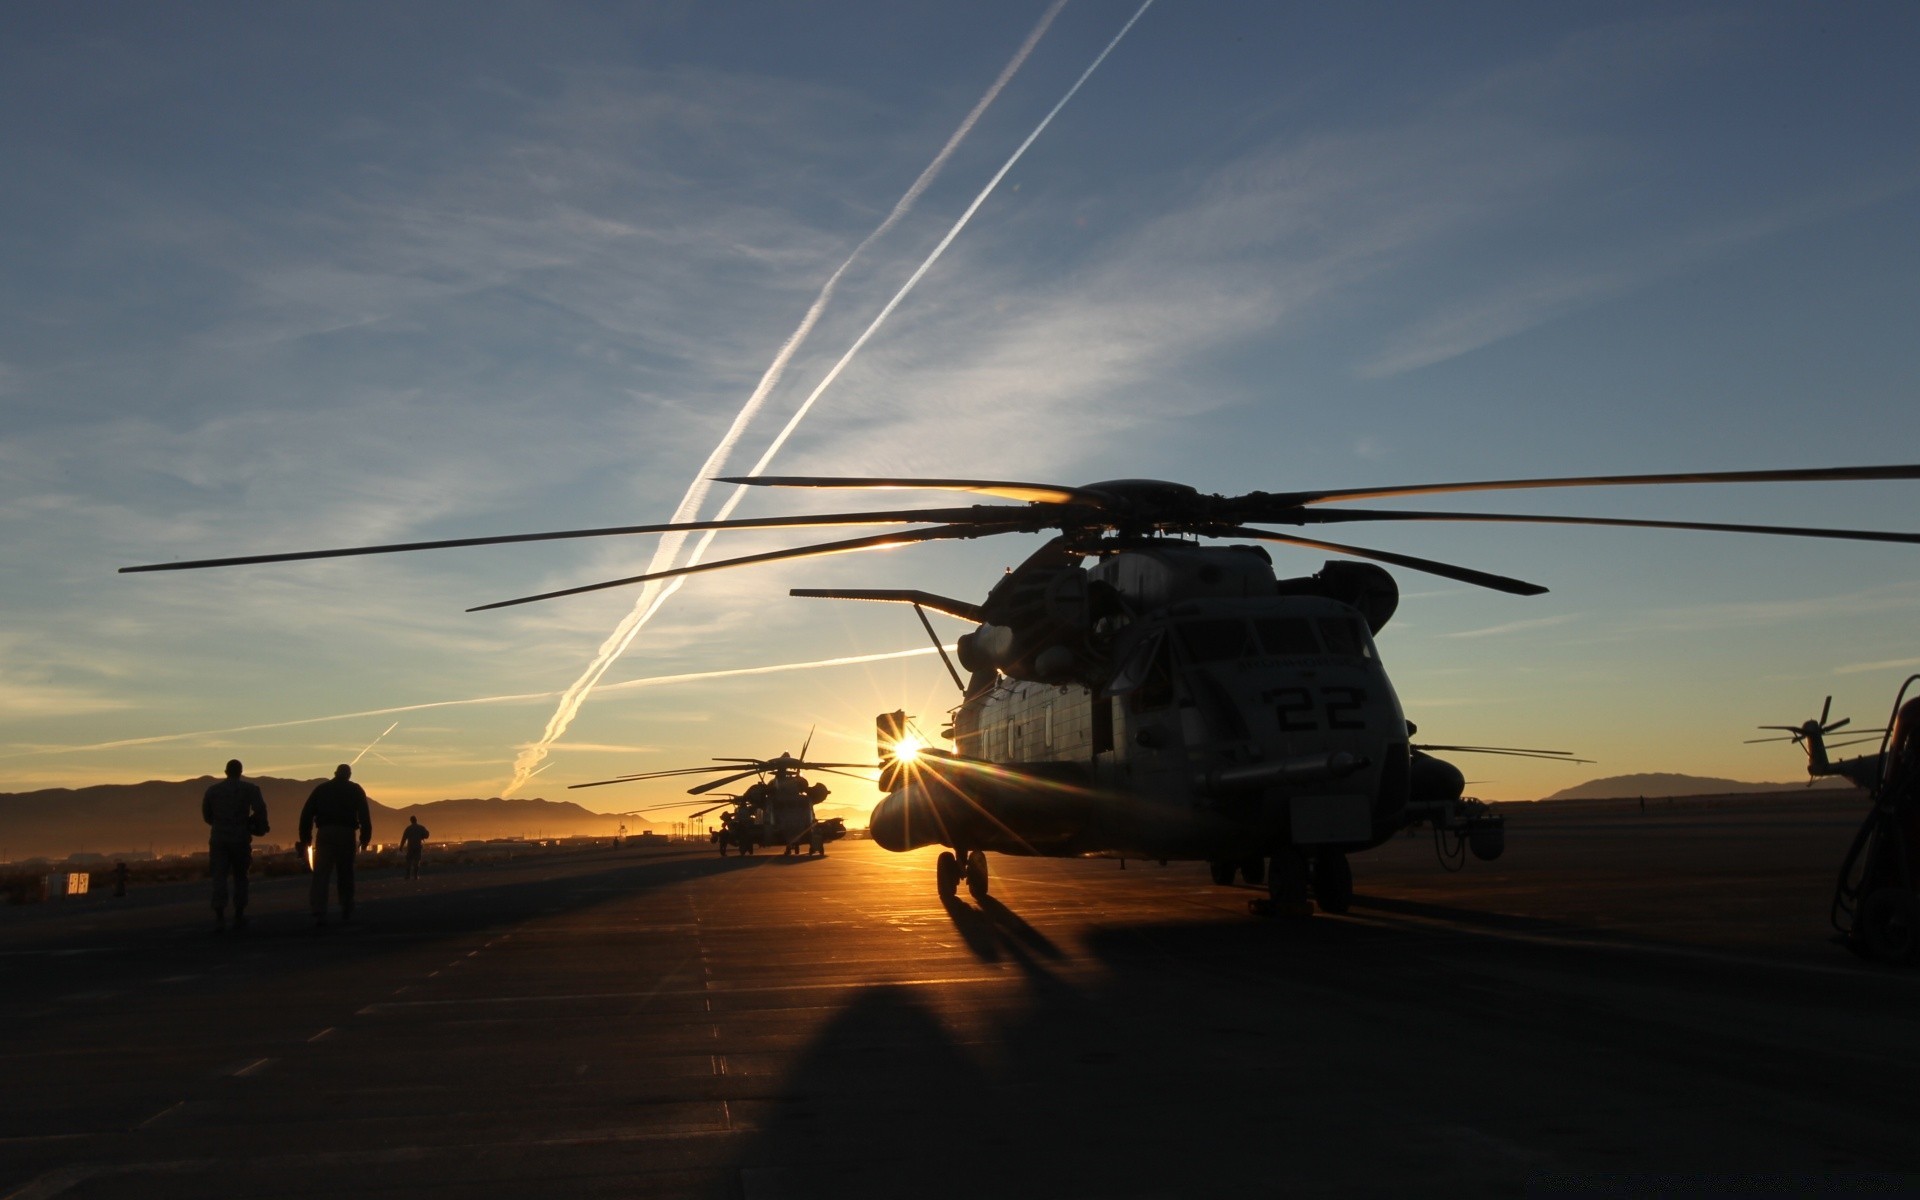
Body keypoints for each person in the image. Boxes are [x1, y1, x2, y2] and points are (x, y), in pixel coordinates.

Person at [299, 763, 372, 927]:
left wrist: (305, 838)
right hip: (346, 833)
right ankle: (346, 905)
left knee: (321, 873)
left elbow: (307, 814)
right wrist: (365, 837)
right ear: (349, 774)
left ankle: (319, 910)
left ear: (335, 773)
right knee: (345, 872)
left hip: (325, 832)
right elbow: (364, 815)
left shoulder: (322, 789)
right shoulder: (355, 790)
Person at [202, 759, 268, 933]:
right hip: (240, 838)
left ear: (225, 772)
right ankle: (238, 914)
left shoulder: (213, 791)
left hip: (219, 839)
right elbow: (260, 809)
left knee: (219, 877)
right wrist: (255, 824)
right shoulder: (250, 789)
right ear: (241, 771)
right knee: (241, 877)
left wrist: (220, 824)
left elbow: (207, 816)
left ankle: (220, 917)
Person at [399, 815, 429, 880]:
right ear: (416, 820)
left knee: (409, 861)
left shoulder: (408, 828)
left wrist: (401, 846)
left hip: (410, 847)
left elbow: (404, 838)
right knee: (417, 861)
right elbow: (426, 835)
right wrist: (424, 835)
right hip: (418, 846)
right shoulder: (421, 827)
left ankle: (408, 875)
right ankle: (415, 875)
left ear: (411, 821)